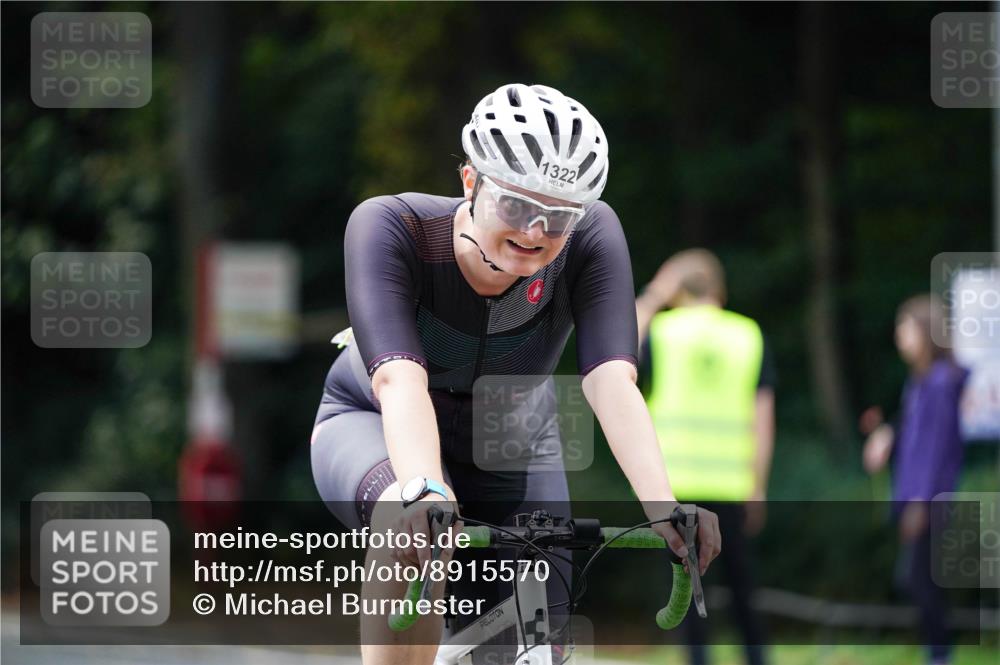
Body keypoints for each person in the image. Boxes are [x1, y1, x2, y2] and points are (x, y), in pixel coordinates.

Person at [310, 83, 722, 665]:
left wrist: (664, 508)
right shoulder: (392, 226)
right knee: (409, 524)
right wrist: (424, 491)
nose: (534, 232)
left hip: (512, 439)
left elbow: (610, 381)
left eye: (558, 217)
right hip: (375, 421)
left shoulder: (591, 236)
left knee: (537, 646)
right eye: (517, 207)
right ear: (471, 182)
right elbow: (399, 380)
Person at [636, 249, 774, 665]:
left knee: (686, 591)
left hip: (674, 484)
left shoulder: (663, 330)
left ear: (678, 289)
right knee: (744, 591)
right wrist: (758, 485)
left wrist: (655, 293)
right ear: (719, 289)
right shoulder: (747, 334)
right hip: (732, 484)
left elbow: (613, 353)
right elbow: (762, 417)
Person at [862, 294, 969, 665]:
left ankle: (940, 655)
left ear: (926, 332)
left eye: (905, 327)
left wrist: (920, 504)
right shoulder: (921, 383)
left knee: (919, 581)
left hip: (928, 501)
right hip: (917, 497)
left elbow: (935, 449)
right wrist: (887, 435)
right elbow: (913, 431)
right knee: (917, 580)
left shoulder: (939, 384)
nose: (899, 335)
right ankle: (938, 653)